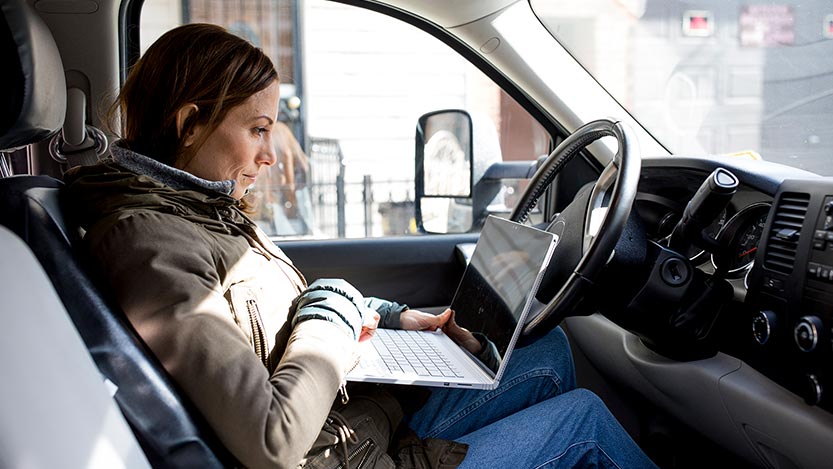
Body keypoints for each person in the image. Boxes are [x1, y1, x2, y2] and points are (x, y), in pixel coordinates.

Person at [64, 24, 656, 469]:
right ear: (189, 124)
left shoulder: (198, 207)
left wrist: (388, 319)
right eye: (258, 130)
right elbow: (271, 439)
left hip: (355, 422)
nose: (271, 156)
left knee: (544, 348)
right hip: (347, 452)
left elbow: (283, 312)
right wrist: (334, 317)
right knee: (585, 422)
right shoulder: (149, 242)